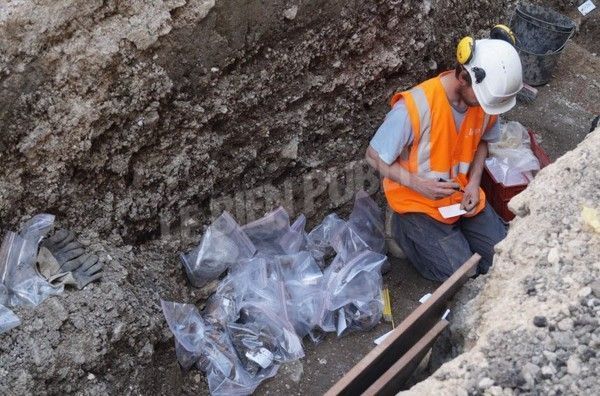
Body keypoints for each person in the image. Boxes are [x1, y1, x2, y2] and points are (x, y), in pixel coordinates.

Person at [365, 37, 523, 282]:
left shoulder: (485, 99)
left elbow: (483, 140)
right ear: (462, 77)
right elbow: (373, 156)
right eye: (482, 100)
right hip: (418, 202)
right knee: (464, 276)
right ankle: (400, 230)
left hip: (461, 195)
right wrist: (420, 185)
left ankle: (452, 237)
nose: (484, 106)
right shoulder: (416, 106)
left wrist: (474, 182)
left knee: (505, 260)